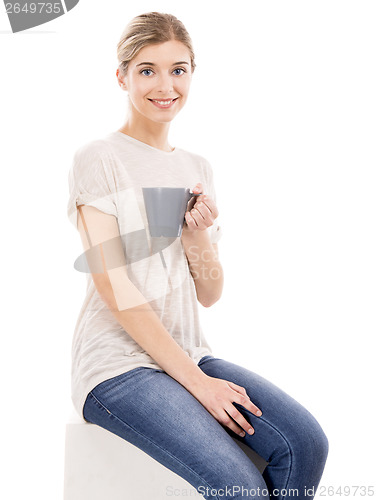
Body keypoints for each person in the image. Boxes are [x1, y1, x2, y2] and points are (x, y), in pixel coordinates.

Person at [66, 11, 328, 500]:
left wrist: (196, 236)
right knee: (240, 487)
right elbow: (115, 287)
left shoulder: (195, 166)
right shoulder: (100, 157)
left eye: (178, 69)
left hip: (190, 353)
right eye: (147, 70)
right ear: (121, 76)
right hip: (117, 367)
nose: (165, 85)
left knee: (306, 444)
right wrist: (200, 387)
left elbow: (209, 293)